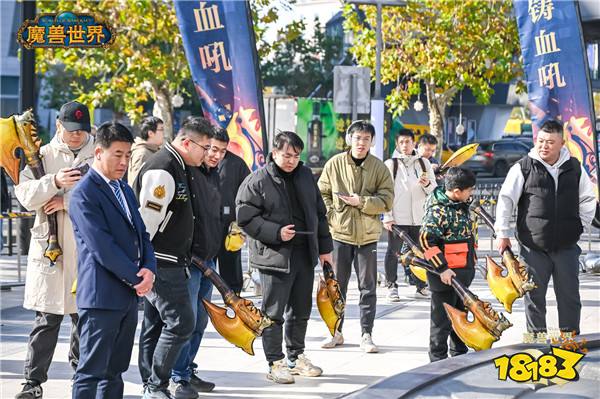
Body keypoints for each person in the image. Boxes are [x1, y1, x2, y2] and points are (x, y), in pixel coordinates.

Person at [236, 131, 333, 384]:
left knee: (301, 310)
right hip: (274, 256)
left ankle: (296, 357)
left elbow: (319, 214)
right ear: (274, 153)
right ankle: (275, 362)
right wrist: (276, 232)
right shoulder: (257, 180)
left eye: (296, 155)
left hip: (304, 254)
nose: (291, 160)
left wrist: (325, 249)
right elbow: (245, 217)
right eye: (286, 155)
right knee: (273, 313)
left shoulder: (305, 176)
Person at [13, 101, 95, 399]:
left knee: (83, 318)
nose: (76, 136)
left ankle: (82, 376)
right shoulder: (43, 156)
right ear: (59, 125)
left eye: (82, 131)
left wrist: (67, 201)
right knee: (46, 320)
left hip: (86, 247)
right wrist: (54, 181)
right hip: (50, 249)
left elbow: (111, 195)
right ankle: (32, 382)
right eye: (71, 130)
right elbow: (25, 195)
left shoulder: (100, 155)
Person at [69, 122, 156, 398]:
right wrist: (137, 279)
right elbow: (102, 247)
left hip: (128, 296)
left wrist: (149, 270)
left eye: (128, 155)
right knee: (90, 371)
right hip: (100, 298)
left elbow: (142, 234)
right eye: (117, 154)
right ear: (98, 152)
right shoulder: (84, 193)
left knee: (115, 370)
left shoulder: (125, 190)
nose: (123, 161)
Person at [135, 116, 212, 399]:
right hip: (161, 261)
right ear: (186, 142)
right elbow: (147, 223)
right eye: (204, 147)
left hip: (172, 260)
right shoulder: (164, 169)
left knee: (156, 325)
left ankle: (151, 384)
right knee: (181, 323)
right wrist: (145, 263)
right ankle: (155, 385)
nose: (207, 154)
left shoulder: (181, 166)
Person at [495, 119, 596, 336]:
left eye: (550, 142)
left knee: (570, 296)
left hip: (566, 247)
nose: (544, 146)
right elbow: (505, 199)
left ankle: (570, 340)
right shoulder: (522, 167)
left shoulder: (575, 167)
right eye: (541, 141)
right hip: (533, 247)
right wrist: (502, 233)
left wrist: (580, 226)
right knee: (534, 297)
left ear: (562, 143)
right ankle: (536, 342)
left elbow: (588, 199)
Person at [317, 120, 394, 352]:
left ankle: (366, 333)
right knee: (336, 286)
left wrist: (362, 202)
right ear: (350, 139)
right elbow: (322, 192)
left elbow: (387, 200)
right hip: (340, 234)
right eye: (358, 138)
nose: (361, 143)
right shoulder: (335, 164)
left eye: (366, 139)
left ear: (372, 142)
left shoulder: (379, 168)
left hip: (368, 236)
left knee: (368, 287)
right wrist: (332, 214)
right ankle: (335, 332)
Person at [170, 128, 227, 395]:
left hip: (209, 261)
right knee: (186, 320)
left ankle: (187, 369)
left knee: (201, 321)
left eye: (221, 151)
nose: (214, 155)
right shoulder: (186, 172)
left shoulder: (213, 175)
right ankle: (176, 376)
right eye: (211, 149)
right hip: (188, 261)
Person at [420, 167, 477, 362]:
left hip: (463, 273)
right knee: (441, 321)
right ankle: (437, 360)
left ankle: (459, 355)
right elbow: (427, 240)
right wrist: (442, 268)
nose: (472, 194)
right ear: (456, 191)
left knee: (460, 317)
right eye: (469, 190)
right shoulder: (437, 211)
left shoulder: (461, 204)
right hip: (444, 276)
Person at [383, 128, 436, 302]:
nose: (405, 145)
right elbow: (386, 191)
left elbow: (434, 191)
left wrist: (427, 183)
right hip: (398, 218)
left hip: (419, 218)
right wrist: (387, 215)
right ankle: (392, 285)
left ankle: (420, 286)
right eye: (401, 142)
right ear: (397, 145)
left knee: (420, 253)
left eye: (408, 141)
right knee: (394, 252)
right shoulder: (391, 164)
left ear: (414, 143)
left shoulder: (424, 164)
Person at [215, 131, 251, 294]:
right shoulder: (200, 161)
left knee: (231, 263)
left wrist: (243, 223)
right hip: (205, 223)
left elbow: (249, 195)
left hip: (230, 224)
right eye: (214, 149)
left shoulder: (236, 164)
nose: (218, 154)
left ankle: (234, 297)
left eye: (223, 150)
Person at [128, 116, 164, 186]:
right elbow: (137, 184)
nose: (163, 133)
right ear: (150, 133)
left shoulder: (154, 151)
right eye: (161, 129)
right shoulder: (142, 154)